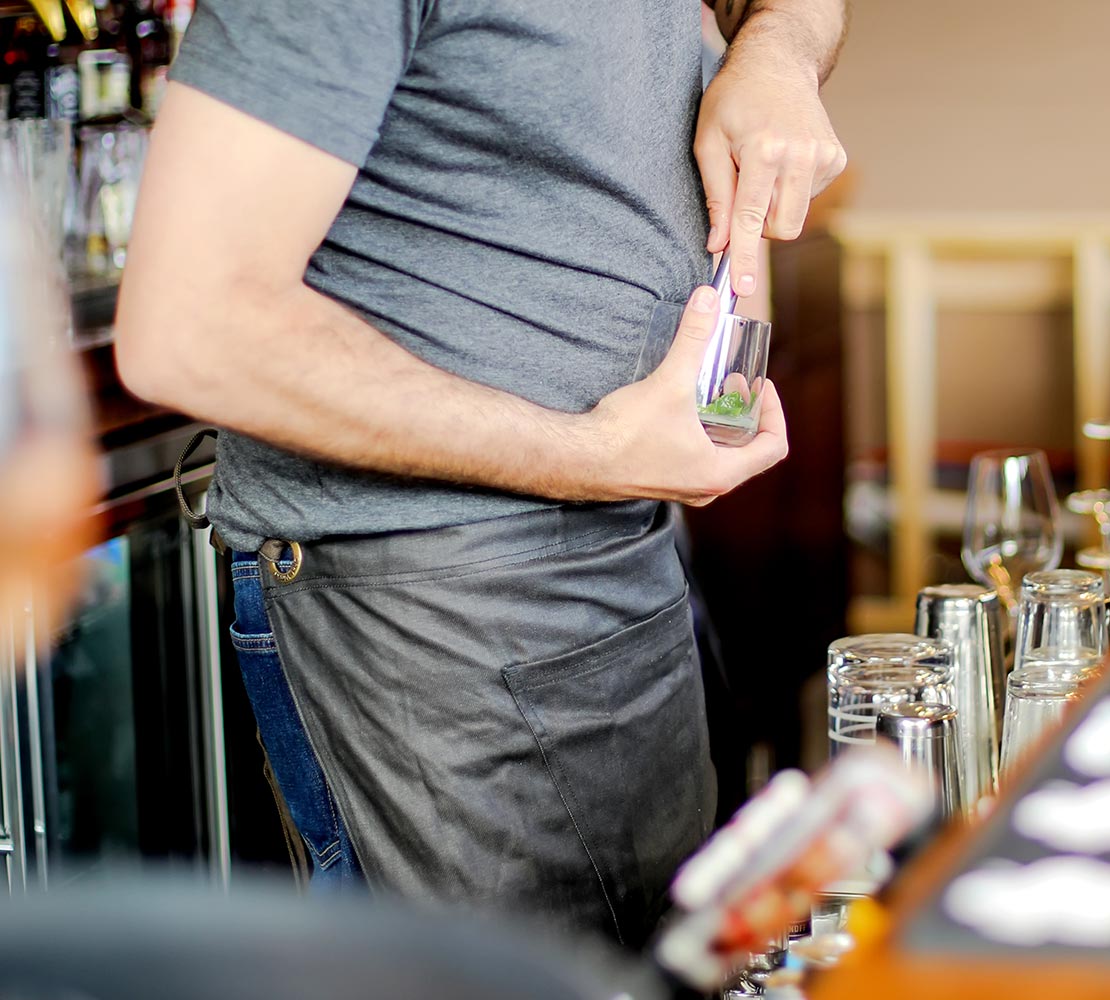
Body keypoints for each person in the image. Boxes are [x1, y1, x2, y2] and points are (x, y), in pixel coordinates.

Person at [115, 0, 848, 949]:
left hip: (626, 544)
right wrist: (590, 456)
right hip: (431, 606)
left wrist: (780, 53)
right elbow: (190, 328)